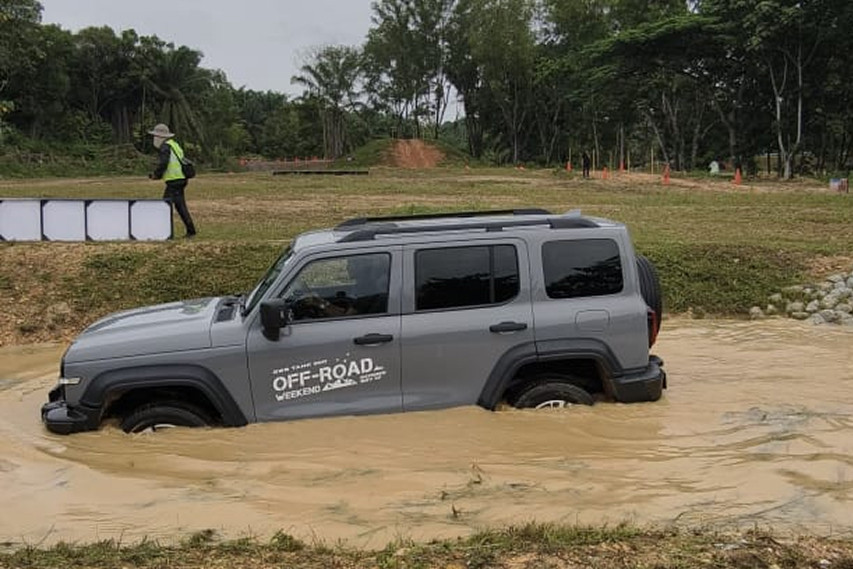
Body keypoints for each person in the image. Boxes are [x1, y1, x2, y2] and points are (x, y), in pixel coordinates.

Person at [149, 123, 196, 238]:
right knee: (180, 206)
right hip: (180, 179)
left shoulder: (165, 147)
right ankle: (191, 231)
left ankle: (165, 232)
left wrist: (156, 174)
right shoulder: (174, 144)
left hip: (174, 180)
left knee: (165, 205)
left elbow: (164, 163)